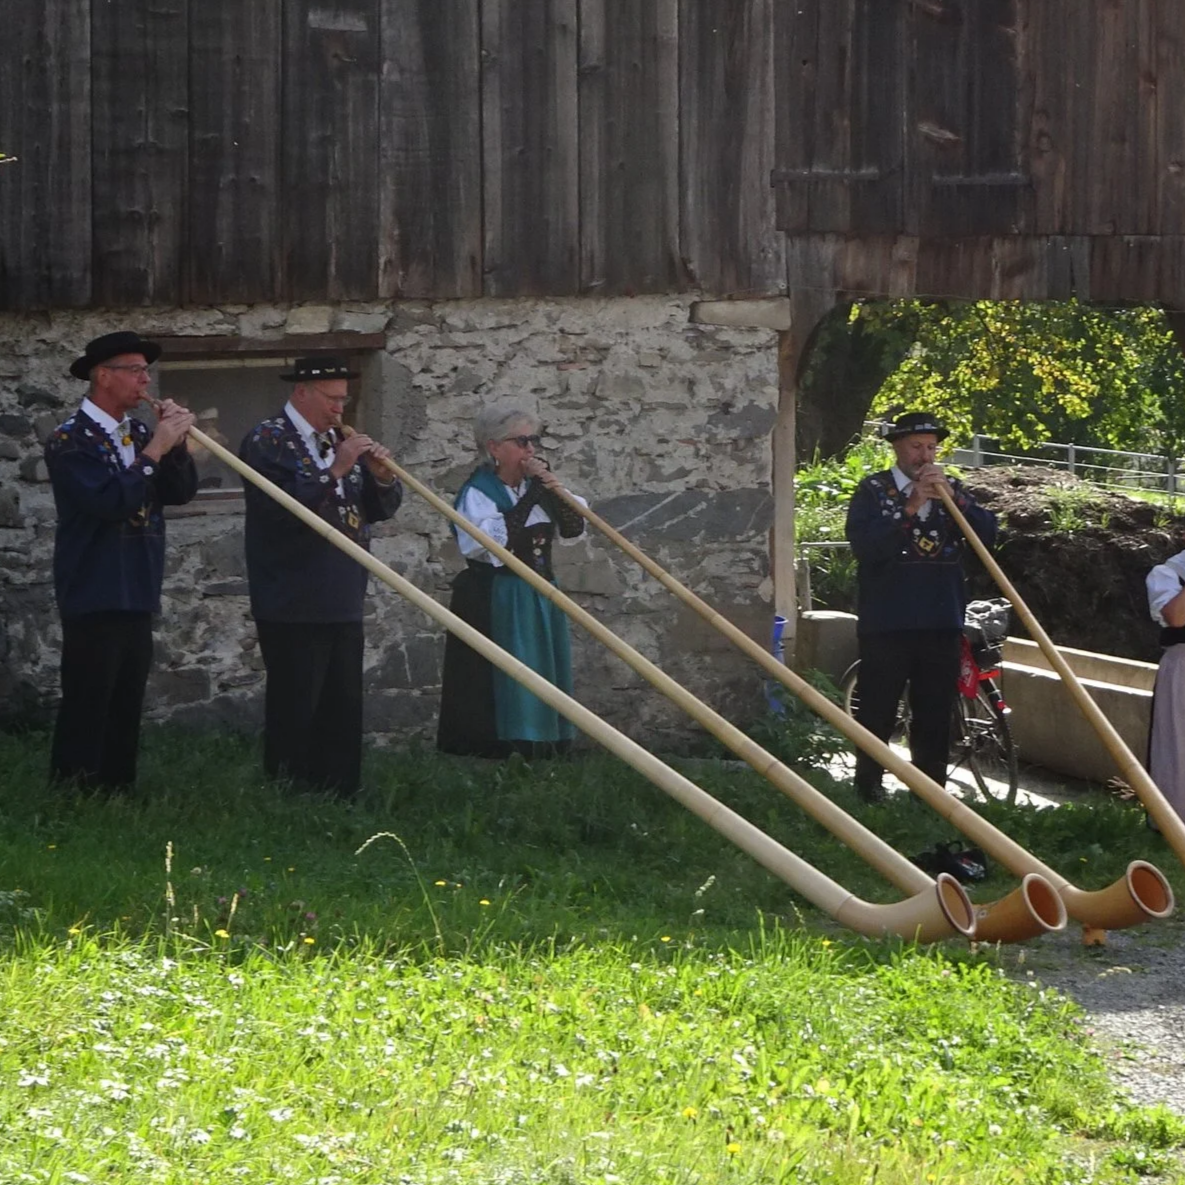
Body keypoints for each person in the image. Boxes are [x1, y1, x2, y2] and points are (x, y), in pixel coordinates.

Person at [239, 356, 402, 796]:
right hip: (292, 593)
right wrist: (337, 469)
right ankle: (290, 791)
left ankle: (340, 790)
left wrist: (382, 479)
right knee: (296, 700)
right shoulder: (268, 440)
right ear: (302, 393)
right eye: (332, 399)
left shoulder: (336, 439)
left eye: (344, 400)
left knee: (342, 701)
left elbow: (375, 510)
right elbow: (282, 511)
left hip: (343, 589)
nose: (339, 410)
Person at [45, 330, 198, 791]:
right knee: (89, 697)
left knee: (127, 698)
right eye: (134, 370)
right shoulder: (71, 440)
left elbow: (180, 492)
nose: (143, 380)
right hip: (94, 584)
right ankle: (73, 792)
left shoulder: (137, 433)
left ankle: (116, 791)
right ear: (103, 376)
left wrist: (175, 445)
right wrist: (155, 450)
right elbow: (110, 500)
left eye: (145, 371)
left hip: (138, 582)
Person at [845, 411, 998, 803]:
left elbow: (989, 534)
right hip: (887, 620)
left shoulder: (953, 492)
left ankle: (930, 792)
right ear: (897, 448)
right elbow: (866, 547)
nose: (925, 456)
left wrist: (956, 498)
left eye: (931, 447)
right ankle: (868, 787)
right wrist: (910, 507)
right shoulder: (872, 490)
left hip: (940, 618)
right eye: (916, 447)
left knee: (934, 711)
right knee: (878, 708)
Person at [437, 406, 587, 758]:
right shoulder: (479, 492)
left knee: (542, 664)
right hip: (497, 593)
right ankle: (505, 747)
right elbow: (490, 545)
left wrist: (551, 490)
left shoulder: (535, 488)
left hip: (538, 590)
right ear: (494, 447)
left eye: (534, 440)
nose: (531, 450)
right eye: (521, 441)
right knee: (505, 674)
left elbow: (573, 526)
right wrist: (534, 495)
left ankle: (545, 743)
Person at [1144, 547, 1185, 828]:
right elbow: (1176, 617)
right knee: (1178, 745)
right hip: (1182, 666)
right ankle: (1175, 822)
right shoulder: (1168, 573)